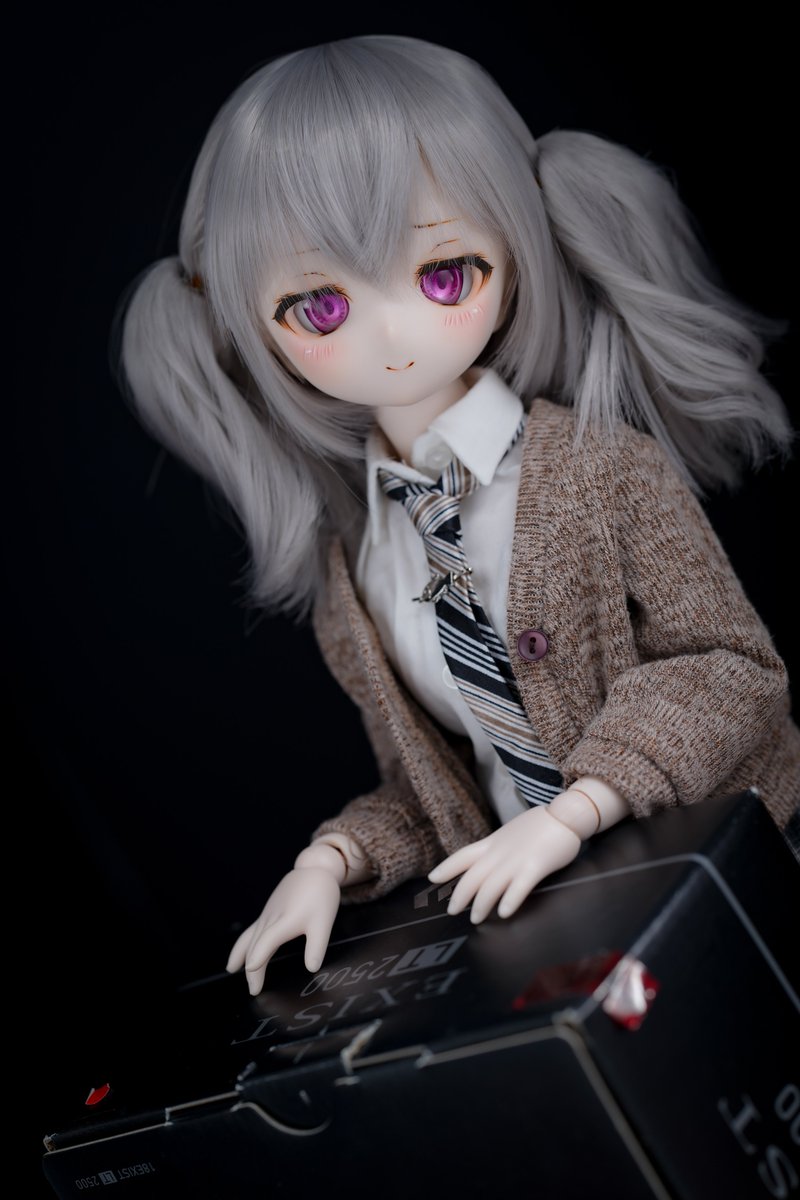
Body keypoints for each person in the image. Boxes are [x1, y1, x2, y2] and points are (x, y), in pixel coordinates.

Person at [118, 35, 800, 996]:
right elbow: (435, 787)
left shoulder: (602, 469)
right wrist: (331, 861)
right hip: (563, 928)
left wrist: (576, 809)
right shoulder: (362, 567)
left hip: (720, 878)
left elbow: (731, 670)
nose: (392, 333)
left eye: (444, 274)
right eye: (318, 307)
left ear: (515, 246)